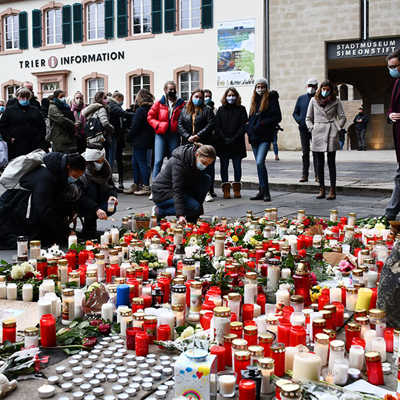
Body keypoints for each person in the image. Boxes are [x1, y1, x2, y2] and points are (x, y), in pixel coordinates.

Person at [0, 152, 86, 249]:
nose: (75, 179)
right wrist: (66, 231)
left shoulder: (57, 172)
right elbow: (44, 209)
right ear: (68, 167)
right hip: (18, 207)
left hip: (30, 204)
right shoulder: (45, 178)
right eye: (75, 176)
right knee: (28, 241)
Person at [152, 144, 216, 224]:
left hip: (180, 190)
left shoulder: (195, 162)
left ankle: (192, 216)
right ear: (197, 155)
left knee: (206, 179)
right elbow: (177, 189)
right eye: (203, 162)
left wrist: (197, 211)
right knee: (193, 206)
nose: (204, 166)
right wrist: (180, 215)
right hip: (162, 192)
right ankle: (159, 211)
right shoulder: (179, 162)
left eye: (208, 164)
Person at [306, 80, 346, 200]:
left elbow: (342, 117)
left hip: (331, 131)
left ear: (331, 90)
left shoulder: (336, 101)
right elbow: (308, 118)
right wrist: (312, 128)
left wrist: (337, 127)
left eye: (328, 89)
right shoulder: (313, 100)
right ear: (320, 89)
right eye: (323, 89)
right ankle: (321, 189)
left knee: (331, 162)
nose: (325, 91)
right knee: (319, 163)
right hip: (317, 132)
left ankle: (332, 190)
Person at [247, 78, 282, 202]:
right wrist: (249, 129)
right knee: (259, 165)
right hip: (254, 137)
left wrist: (261, 124)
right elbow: (250, 117)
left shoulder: (271, 98)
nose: (260, 89)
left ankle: (266, 191)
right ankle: (262, 191)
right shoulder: (254, 100)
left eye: (262, 86)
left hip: (265, 136)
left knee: (259, 162)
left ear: (266, 87)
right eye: (258, 86)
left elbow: (277, 116)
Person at [147, 81, 185, 183]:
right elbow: (150, 117)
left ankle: (172, 185)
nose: (172, 91)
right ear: (165, 90)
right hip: (160, 134)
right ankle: (155, 187)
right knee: (158, 160)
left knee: (173, 160)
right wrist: (159, 125)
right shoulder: (159, 103)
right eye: (170, 89)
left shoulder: (181, 104)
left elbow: (184, 118)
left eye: (174, 89)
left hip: (174, 135)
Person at [215, 87, 248, 199]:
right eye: (229, 95)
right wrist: (224, 138)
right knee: (224, 167)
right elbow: (217, 126)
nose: (231, 97)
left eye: (233, 95)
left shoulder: (241, 109)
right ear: (225, 97)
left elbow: (243, 126)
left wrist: (234, 138)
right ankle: (226, 190)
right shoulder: (220, 110)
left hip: (237, 143)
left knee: (237, 167)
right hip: (223, 143)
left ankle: (237, 189)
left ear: (237, 96)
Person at [78, 147, 118, 238]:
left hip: (99, 200)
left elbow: (111, 187)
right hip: (85, 203)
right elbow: (80, 196)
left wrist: (112, 196)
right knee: (91, 189)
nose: (101, 164)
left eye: (102, 161)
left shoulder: (106, 169)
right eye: (98, 161)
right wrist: (96, 209)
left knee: (110, 206)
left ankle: (90, 229)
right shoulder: (82, 172)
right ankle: (88, 230)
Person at [0, 87, 46, 160]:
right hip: (16, 145)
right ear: (18, 97)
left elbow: (42, 126)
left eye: (27, 97)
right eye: (22, 97)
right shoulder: (10, 110)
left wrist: (39, 138)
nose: (24, 99)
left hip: (33, 144)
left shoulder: (35, 110)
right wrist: (9, 138)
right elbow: (2, 126)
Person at [127, 89, 155, 196]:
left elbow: (135, 127)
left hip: (139, 140)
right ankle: (137, 184)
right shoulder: (151, 109)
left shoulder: (140, 110)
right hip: (148, 140)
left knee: (140, 163)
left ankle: (145, 186)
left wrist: (129, 136)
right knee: (137, 162)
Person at [293, 78, 319, 183]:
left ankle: (318, 175)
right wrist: (300, 121)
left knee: (317, 152)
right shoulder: (301, 98)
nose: (311, 88)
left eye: (313, 86)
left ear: (316, 87)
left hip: (316, 129)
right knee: (305, 152)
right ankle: (305, 175)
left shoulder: (318, 99)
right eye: (309, 86)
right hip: (303, 129)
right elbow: (295, 113)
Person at [385, 49, 400, 221]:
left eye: (395, 66)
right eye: (389, 67)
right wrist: (390, 115)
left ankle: (390, 212)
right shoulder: (397, 83)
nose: (392, 70)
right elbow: (392, 107)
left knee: (398, 177)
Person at [107, 92, 131, 191]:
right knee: (112, 159)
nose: (122, 102)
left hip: (118, 137)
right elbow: (122, 114)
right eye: (122, 99)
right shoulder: (112, 105)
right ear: (118, 98)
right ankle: (111, 183)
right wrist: (133, 114)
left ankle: (120, 182)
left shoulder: (116, 106)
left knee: (118, 159)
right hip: (113, 136)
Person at [203, 89, 217, 201]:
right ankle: (203, 189)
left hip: (212, 141)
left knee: (211, 167)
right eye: (205, 96)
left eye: (209, 96)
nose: (207, 98)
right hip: (203, 140)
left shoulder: (214, 109)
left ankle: (211, 189)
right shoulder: (201, 110)